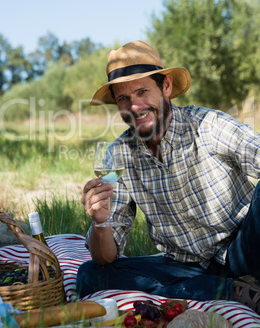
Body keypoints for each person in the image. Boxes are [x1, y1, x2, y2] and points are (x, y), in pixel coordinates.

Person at [76, 40, 260, 314]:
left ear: (166, 87)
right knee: (91, 275)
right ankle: (233, 292)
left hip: (244, 249)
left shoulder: (208, 126)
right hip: (184, 266)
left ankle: (224, 287)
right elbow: (106, 256)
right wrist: (100, 222)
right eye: (123, 98)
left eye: (142, 91)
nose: (135, 106)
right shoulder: (118, 156)